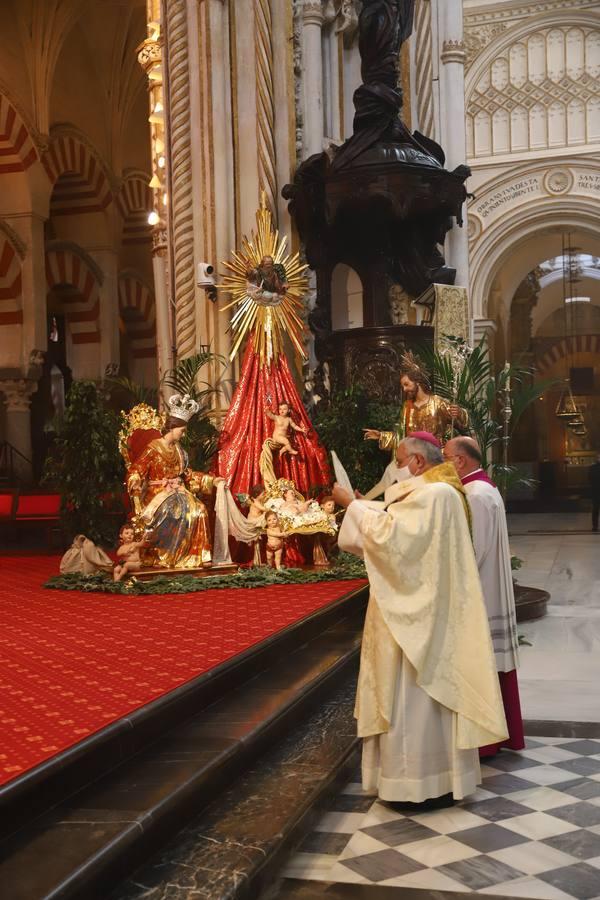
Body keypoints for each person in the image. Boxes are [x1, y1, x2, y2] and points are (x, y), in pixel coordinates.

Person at [333, 433, 507, 808]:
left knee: (414, 699)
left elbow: (395, 540)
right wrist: (367, 509)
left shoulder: (437, 495)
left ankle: (418, 784)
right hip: (422, 612)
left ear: (416, 462)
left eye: (399, 460)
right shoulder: (436, 494)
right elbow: (398, 527)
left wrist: (351, 505)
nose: (395, 468)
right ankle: (430, 779)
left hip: (418, 622)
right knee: (417, 702)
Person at [444, 436, 525, 756]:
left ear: (460, 461)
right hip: (487, 588)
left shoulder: (475, 494)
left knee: (481, 665)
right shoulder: (484, 488)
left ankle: (485, 743)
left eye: (446, 456)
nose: (444, 462)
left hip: (479, 593)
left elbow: (472, 550)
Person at [127, 394, 225, 568]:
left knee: (200, 510)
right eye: (182, 430)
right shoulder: (153, 449)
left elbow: (188, 474)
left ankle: (199, 556)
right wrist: (135, 479)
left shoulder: (180, 451)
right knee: (173, 512)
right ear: (172, 428)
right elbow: (136, 469)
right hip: (157, 494)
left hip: (178, 492)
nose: (184, 434)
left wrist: (212, 480)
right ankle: (165, 556)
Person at [363, 350, 468, 448]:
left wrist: (459, 413)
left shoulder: (438, 403)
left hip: (436, 460)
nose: (404, 389)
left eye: (406, 384)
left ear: (417, 381)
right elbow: (402, 437)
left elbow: (463, 423)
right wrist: (381, 436)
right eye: (402, 386)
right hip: (414, 460)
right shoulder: (407, 407)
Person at [590, 454, 600, 532]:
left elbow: (589, 479)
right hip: (596, 491)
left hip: (595, 491)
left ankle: (595, 527)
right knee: (595, 509)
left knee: (595, 510)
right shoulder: (592, 468)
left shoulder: (592, 468)